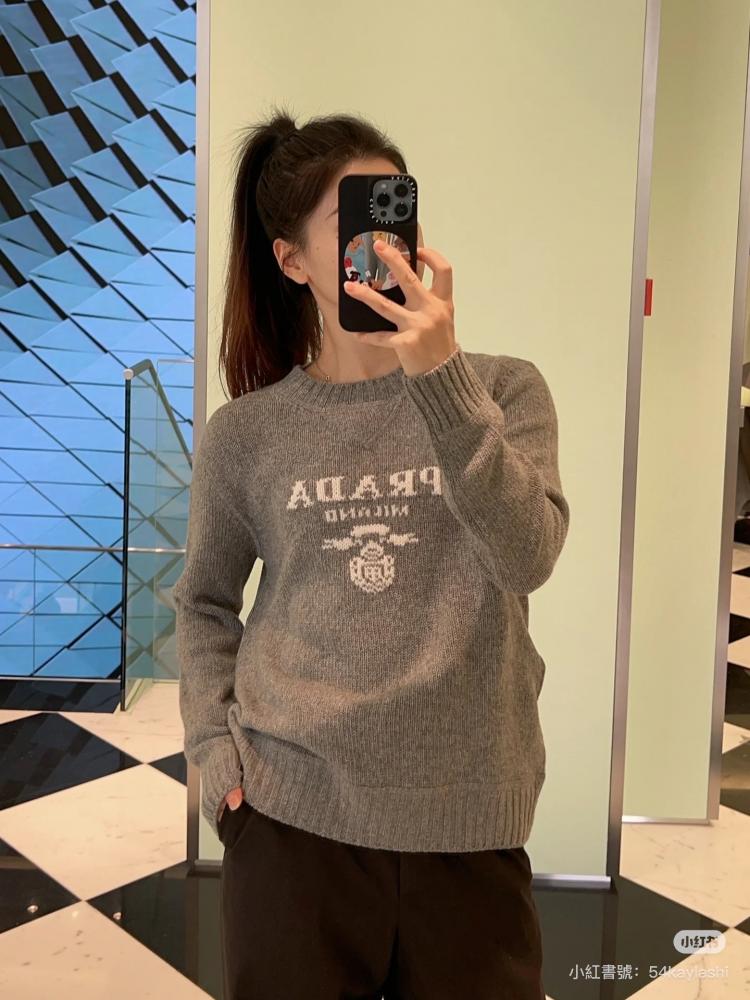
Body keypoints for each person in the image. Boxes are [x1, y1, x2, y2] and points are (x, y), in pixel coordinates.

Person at [173, 105, 570, 1000]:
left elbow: (530, 558)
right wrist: (216, 757)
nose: (385, 248)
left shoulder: (503, 390)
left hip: (469, 823)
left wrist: (443, 381)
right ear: (293, 261)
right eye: (355, 224)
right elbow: (203, 602)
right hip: (292, 823)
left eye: (396, 215)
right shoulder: (247, 434)